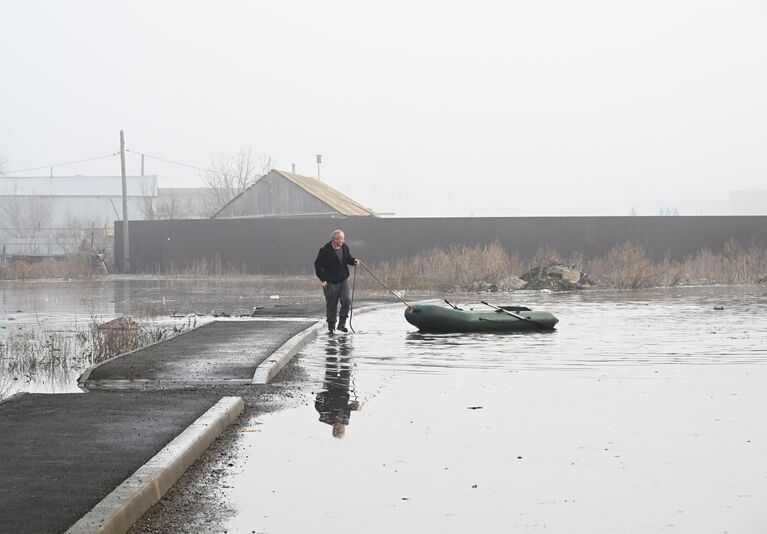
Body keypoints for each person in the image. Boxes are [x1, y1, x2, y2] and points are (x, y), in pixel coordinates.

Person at [314, 229, 359, 335]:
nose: (343, 241)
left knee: (346, 300)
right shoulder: (324, 251)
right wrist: (323, 279)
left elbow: (348, 259)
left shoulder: (344, 247)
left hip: (343, 280)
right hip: (330, 282)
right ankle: (331, 328)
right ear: (335, 240)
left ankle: (341, 325)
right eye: (341, 239)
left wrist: (354, 261)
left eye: (343, 239)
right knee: (332, 305)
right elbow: (317, 266)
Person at [314, 335, 361, 438]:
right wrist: (354, 406)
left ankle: (331, 343)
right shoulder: (346, 420)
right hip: (344, 389)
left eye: (339, 429)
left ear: (334, 429)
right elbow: (346, 408)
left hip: (331, 388)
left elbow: (317, 404)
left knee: (332, 365)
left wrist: (322, 391)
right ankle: (344, 346)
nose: (342, 427)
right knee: (346, 368)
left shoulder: (325, 418)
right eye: (342, 429)